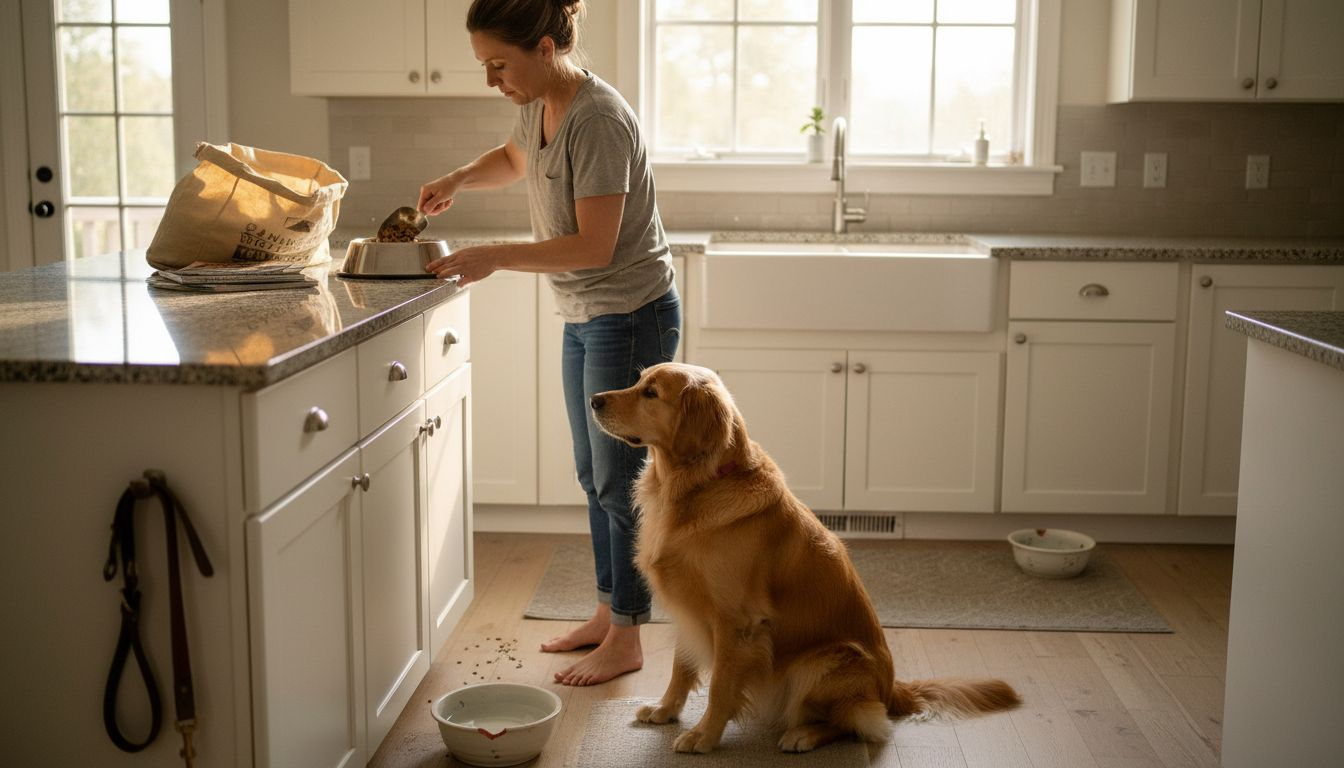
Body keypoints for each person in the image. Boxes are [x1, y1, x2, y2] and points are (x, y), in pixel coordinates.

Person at [417, 0, 679, 687]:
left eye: (498, 64)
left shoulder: (597, 119)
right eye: (484, 66)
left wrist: (494, 254)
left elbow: (594, 247)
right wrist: (457, 180)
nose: (490, 79)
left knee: (621, 484)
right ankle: (608, 613)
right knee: (594, 477)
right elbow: (513, 156)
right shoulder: (539, 103)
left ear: (543, 47)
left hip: (628, 314)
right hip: (589, 313)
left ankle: (627, 635)